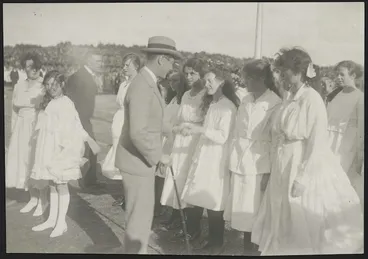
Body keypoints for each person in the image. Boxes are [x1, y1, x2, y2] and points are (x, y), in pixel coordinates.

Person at [251, 48, 364, 255]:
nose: (282, 74)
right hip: (282, 162)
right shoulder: (289, 97)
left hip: (301, 162)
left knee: (299, 214)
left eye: (285, 70)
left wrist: (302, 177)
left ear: (299, 71)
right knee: (280, 211)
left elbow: (317, 141)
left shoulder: (312, 99)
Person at [114, 36, 183, 254]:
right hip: (137, 162)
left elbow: (150, 121)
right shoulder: (143, 84)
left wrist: (173, 129)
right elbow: (138, 131)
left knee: (142, 217)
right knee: (138, 219)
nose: (173, 67)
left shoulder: (147, 81)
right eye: (172, 62)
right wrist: (159, 156)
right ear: (162, 59)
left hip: (140, 161)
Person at [30, 71, 100, 237]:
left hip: (61, 148)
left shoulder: (66, 103)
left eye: (54, 84)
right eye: (48, 85)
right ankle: (52, 219)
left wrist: (88, 140)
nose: (51, 88)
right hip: (48, 147)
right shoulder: (51, 102)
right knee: (53, 184)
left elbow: (75, 126)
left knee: (61, 184)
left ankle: (61, 223)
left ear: (62, 85)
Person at [224, 59, 282, 255]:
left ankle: (254, 250)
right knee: (242, 206)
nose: (245, 82)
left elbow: (274, 140)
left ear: (261, 79)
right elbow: (238, 130)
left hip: (259, 162)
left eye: (248, 78)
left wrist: (270, 170)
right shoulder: (247, 100)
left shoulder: (274, 102)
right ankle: (246, 248)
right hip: (241, 159)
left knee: (255, 209)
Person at [180, 67, 239, 255]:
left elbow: (222, 136)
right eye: (205, 81)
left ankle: (217, 242)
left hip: (217, 158)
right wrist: (192, 127)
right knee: (204, 197)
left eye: (210, 81)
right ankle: (209, 238)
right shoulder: (214, 103)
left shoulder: (227, 106)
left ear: (222, 82)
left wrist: (200, 131)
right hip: (207, 155)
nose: (206, 84)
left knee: (215, 201)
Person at [160, 58, 208, 240]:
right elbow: (179, 118)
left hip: (196, 142)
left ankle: (193, 227)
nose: (188, 77)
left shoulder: (206, 94)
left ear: (201, 74)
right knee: (178, 180)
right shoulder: (186, 94)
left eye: (193, 73)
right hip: (181, 141)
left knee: (191, 182)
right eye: (186, 73)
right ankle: (180, 220)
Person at [6, 53, 47, 216]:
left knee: (36, 161)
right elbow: (15, 110)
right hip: (20, 128)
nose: (33, 69)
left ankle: (42, 200)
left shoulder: (44, 86)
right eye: (29, 66)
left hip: (36, 126)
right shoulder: (18, 86)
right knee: (23, 161)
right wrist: (13, 131)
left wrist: (41, 130)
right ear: (24, 68)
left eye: (35, 66)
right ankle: (32, 198)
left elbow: (45, 110)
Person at [65, 49, 104, 189]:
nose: (101, 64)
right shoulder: (79, 76)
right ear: (89, 61)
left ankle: (89, 179)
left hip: (84, 118)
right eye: (98, 61)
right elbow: (69, 98)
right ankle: (82, 179)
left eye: (101, 61)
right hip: (79, 118)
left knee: (90, 148)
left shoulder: (87, 75)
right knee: (86, 148)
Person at [327, 61, 364, 209]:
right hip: (329, 143)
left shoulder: (360, 98)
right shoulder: (336, 95)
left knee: (342, 183)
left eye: (342, 74)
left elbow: (362, 129)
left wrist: (359, 157)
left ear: (353, 75)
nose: (338, 77)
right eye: (337, 74)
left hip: (346, 147)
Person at [155, 71, 190, 219]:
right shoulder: (174, 98)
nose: (172, 84)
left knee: (173, 177)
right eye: (170, 81)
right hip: (167, 139)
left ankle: (174, 215)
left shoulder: (184, 100)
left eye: (175, 81)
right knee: (161, 175)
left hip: (176, 140)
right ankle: (160, 208)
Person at [102, 53, 142, 180]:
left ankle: (128, 196)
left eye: (127, 65)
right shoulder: (123, 84)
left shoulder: (139, 84)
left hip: (129, 121)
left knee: (128, 157)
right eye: (123, 65)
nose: (124, 68)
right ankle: (124, 194)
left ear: (136, 66)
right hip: (119, 121)